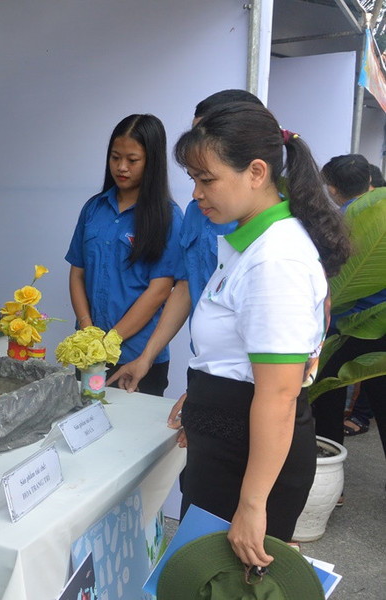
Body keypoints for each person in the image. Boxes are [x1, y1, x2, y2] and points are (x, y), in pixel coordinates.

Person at [173, 102, 350, 566]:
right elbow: (235, 359)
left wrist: (252, 506)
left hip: (250, 466)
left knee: (222, 584)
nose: (196, 194)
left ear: (256, 172)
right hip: (233, 445)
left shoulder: (276, 259)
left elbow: (279, 393)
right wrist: (201, 398)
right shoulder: (249, 244)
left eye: (205, 179)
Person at [108, 90, 264, 400]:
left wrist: (216, 396)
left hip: (248, 384)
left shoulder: (274, 233)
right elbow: (185, 287)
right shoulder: (198, 210)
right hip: (205, 370)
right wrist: (146, 358)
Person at [65, 114, 184, 396]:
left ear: (151, 162)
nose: (121, 167)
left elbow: (160, 290)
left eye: (132, 160)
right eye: (115, 157)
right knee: (88, 425)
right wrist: (88, 330)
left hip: (138, 357)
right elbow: (77, 272)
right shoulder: (94, 209)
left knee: (133, 436)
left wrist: (111, 340)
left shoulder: (168, 216)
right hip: (89, 354)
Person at [313, 154, 386, 463]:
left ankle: (332, 479)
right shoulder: (379, 216)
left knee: (327, 401)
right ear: (368, 183)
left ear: (331, 189)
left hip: (337, 332)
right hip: (378, 326)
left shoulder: (333, 227)